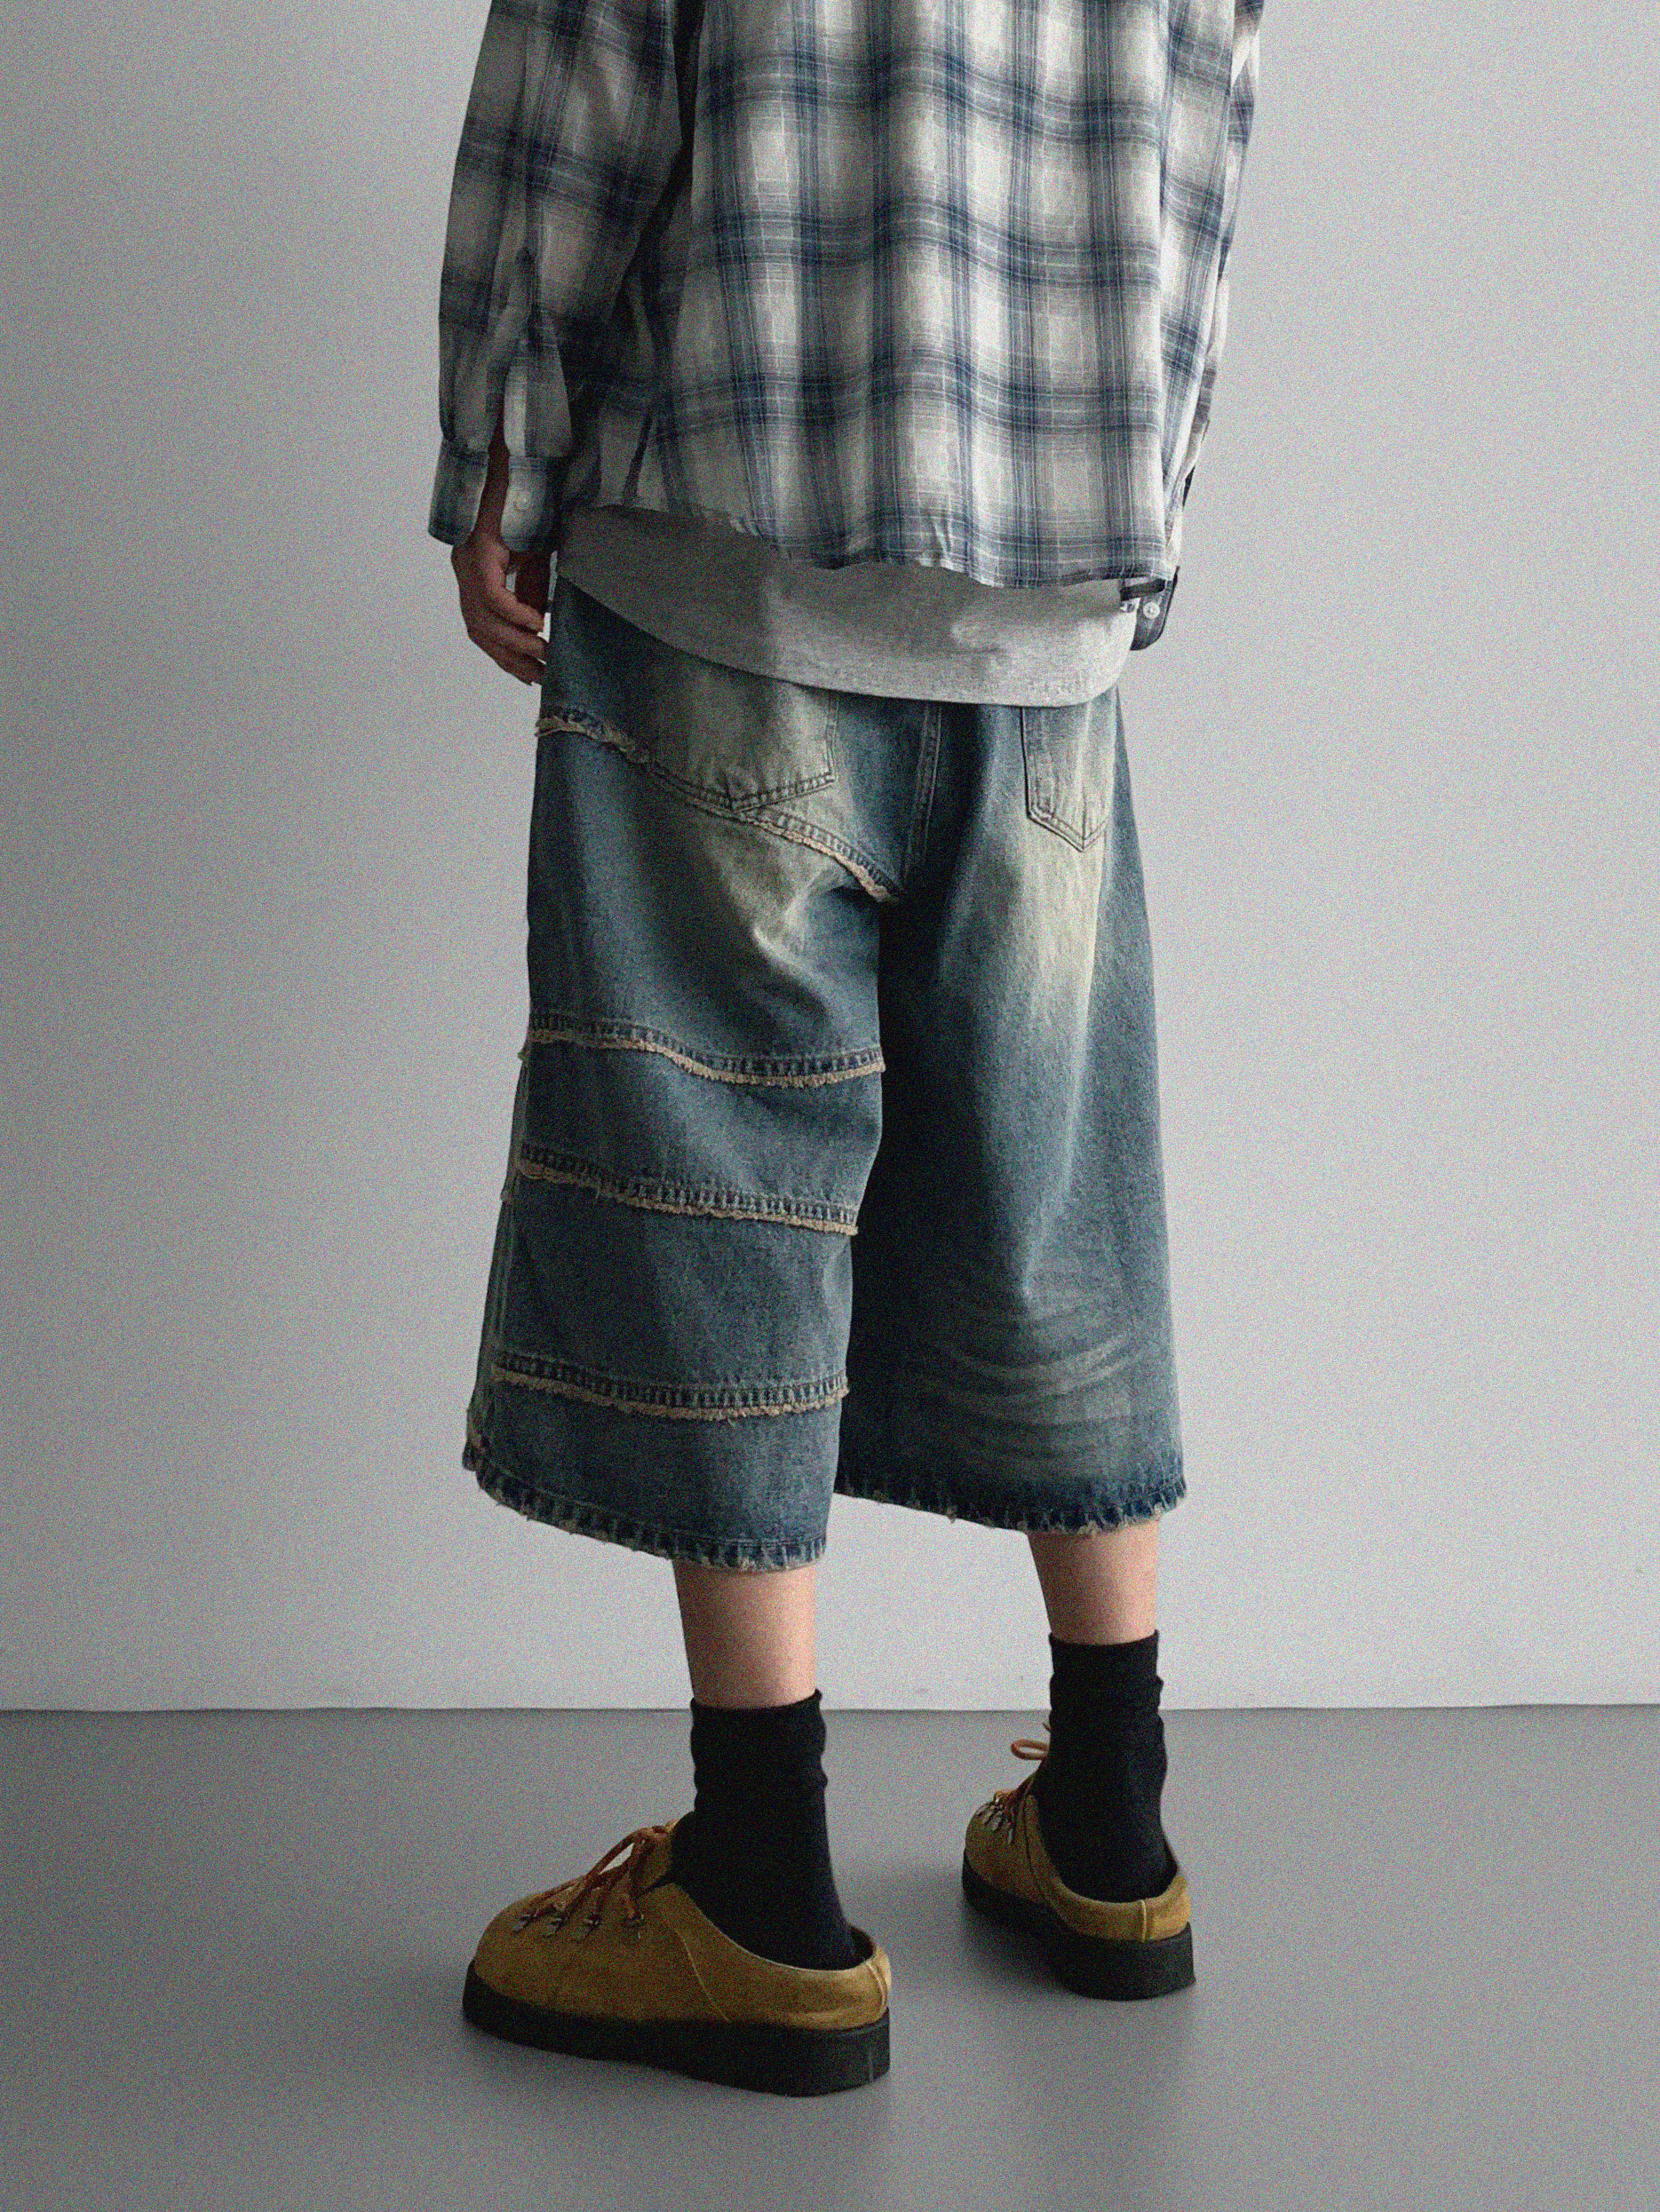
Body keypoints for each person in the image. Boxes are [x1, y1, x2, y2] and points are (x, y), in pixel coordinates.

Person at [431, 0, 1265, 2097]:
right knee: (1059, 1182)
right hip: (1046, 591)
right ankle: (1109, 1819)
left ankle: (758, 1879)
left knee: (712, 1176)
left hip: (730, 547)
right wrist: (1139, 509)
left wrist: (504, 436)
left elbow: (581, 76)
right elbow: (1202, 120)